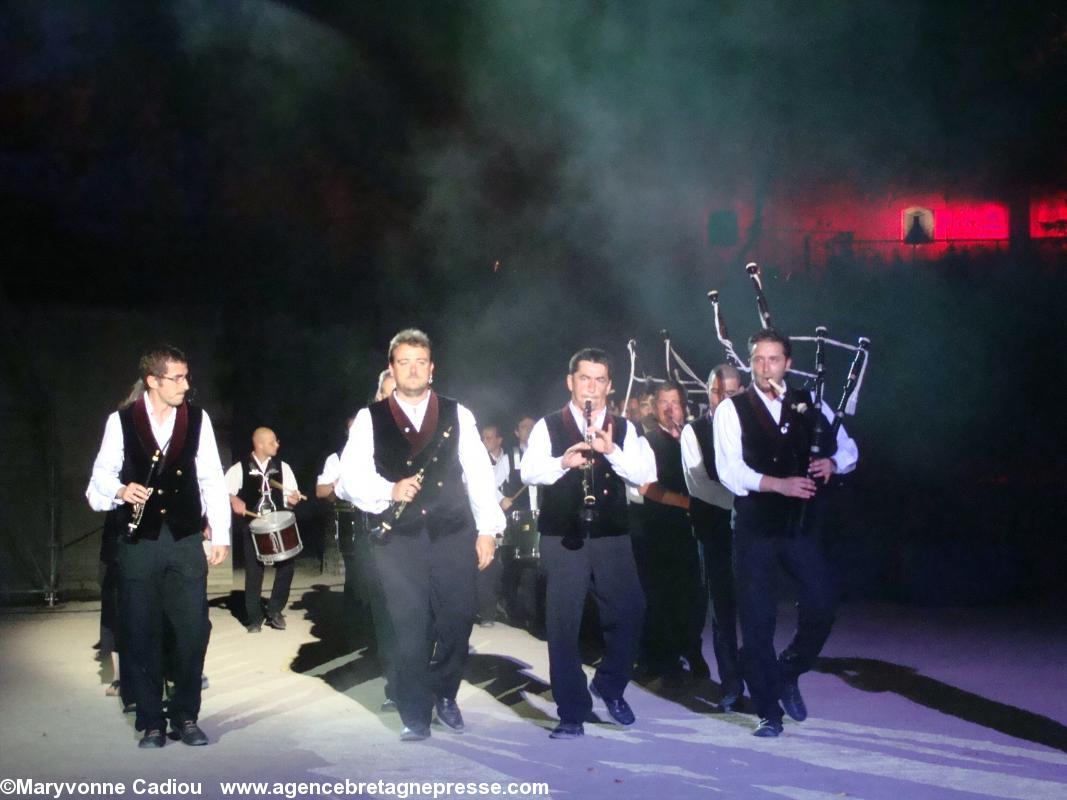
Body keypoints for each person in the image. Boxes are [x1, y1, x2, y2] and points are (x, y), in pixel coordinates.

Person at [337, 328, 504, 741]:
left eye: (420, 362)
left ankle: (445, 691)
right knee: (408, 627)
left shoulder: (456, 412)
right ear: (392, 368)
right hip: (400, 539)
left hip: (452, 531)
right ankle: (416, 711)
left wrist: (488, 531)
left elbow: (479, 474)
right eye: (404, 362)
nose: (412, 369)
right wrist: (387, 491)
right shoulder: (369, 419)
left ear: (432, 369)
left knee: (458, 618)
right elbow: (348, 480)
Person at [713, 329, 858, 737]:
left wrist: (832, 463)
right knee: (757, 622)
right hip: (756, 529)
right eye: (758, 359)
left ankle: (789, 669)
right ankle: (767, 712)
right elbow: (730, 472)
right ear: (750, 362)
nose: (765, 368)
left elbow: (849, 449)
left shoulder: (809, 404)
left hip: (799, 529)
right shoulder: (732, 409)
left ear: (788, 364)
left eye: (773, 359)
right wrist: (779, 484)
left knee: (822, 606)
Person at [86, 345, 230, 748]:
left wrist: (220, 535)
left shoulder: (198, 420)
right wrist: (119, 489)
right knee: (140, 631)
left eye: (186, 376)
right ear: (153, 380)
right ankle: (151, 720)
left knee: (192, 631)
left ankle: (185, 715)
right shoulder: (122, 422)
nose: (185, 385)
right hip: (139, 544)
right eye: (177, 378)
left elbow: (213, 480)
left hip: (185, 541)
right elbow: (99, 478)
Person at [521, 347, 655, 739]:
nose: (591, 388)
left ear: (609, 386)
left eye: (599, 380)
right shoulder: (549, 425)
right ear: (570, 382)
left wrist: (610, 451)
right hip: (563, 535)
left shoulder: (625, 427)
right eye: (584, 379)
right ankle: (572, 710)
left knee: (631, 614)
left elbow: (646, 474)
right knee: (563, 625)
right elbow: (529, 472)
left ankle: (610, 685)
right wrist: (562, 462)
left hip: (612, 535)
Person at [634, 382, 707, 683]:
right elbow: (646, 487)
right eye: (662, 402)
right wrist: (687, 503)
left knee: (694, 595)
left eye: (674, 402)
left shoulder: (696, 438)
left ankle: (691, 648)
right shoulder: (647, 442)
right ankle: (660, 657)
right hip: (658, 531)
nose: (668, 408)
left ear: (684, 406)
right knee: (661, 595)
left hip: (694, 532)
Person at [681, 363, 744, 709]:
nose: (723, 399)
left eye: (731, 392)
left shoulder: (751, 427)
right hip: (714, 531)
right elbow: (699, 485)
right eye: (717, 392)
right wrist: (747, 499)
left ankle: (758, 676)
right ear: (708, 392)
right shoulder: (695, 431)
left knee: (755, 610)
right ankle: (732, 685)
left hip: (752, 532)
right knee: (724, 611)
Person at [226, 427, 303, 632]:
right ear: (259, 444)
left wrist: (293, 499)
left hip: (277, 526)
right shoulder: (239, 468)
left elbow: (290, 497)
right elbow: (223, 493)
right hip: (252, 528)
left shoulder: (283, 467)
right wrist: (233, 499)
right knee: (254, 572)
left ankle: (275, 611)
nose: (277, 445)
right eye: (272, 442)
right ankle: (254, 618)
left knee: (287, 566)